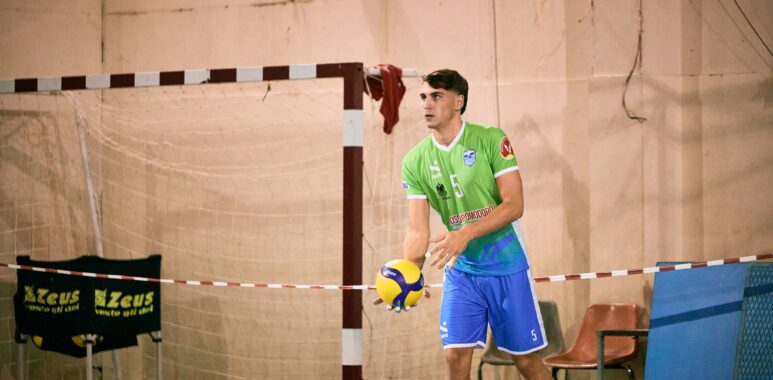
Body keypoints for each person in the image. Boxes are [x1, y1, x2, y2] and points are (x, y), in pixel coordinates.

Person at [376, 69, 550, 380]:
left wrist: (465, 234)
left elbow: (514, 205)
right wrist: (406, 275)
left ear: (459, 101)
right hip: (462, 272)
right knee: (455, 356)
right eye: (424, 97)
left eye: (437, 96)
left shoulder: (491, 139)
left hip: (505, 265)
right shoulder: (414, 161)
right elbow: (417, 230)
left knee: (526, 363)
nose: (427, 104)